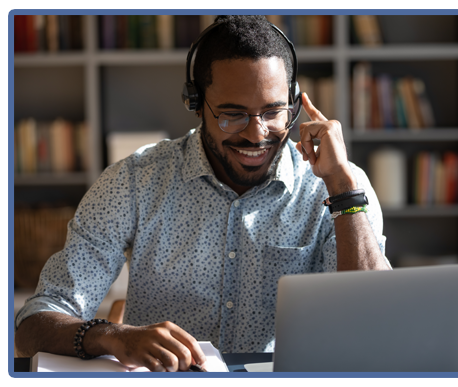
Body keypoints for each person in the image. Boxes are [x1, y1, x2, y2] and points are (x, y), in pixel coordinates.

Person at [14, 15, 391, 372]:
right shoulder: (134, 182)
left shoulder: (339, 186)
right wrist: (112, 336)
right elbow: (33, 324)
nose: (257, 134)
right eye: (233, 114)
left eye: (273, 112)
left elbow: (380, 326)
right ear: (195, 104)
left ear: (294, 104)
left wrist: (343, 189)